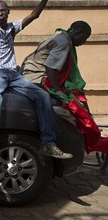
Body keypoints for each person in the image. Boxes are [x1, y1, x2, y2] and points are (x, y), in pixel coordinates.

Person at [0, 0, 72, 161]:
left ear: (8, 12)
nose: (0, 14)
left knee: (42, 96)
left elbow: (34, 15)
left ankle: (48, 143)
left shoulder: (12, 28)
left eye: (3, 10)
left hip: (14, 74)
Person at [21, 21, 108, 153]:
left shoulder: (60, 34)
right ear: (78, 33)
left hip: (33, 74)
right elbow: (50, 67)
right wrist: (58, 90)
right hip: (37, 78)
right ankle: (52, 141)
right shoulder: (64, 42)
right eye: (84, 38)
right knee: (70, 103)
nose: (83, 42)